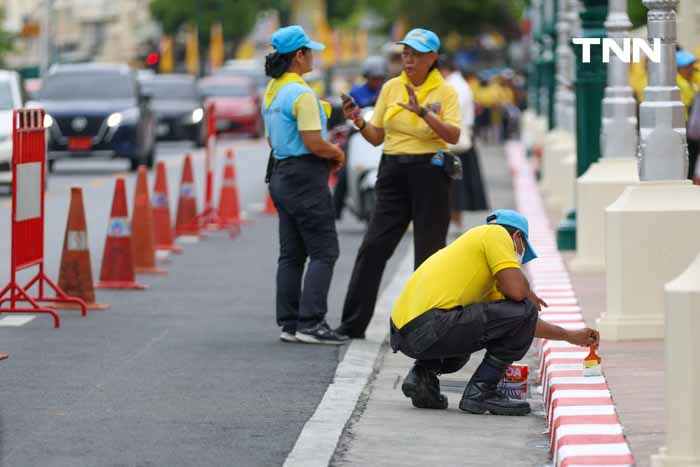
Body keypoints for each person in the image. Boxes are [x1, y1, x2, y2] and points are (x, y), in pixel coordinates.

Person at [390, 209, 600, 414]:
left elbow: (522, 323)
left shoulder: (476, 265)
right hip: (429, 328)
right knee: (523, 308)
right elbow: (519, 296)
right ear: (517, 236)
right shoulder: (495, 234)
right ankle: (482, 391)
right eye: (521, 251)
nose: (518, 258)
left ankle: (422, 376)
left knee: (511, 316)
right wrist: (526, 292)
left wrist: (569, 336)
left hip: (406, 335)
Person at [335, 28, 462, 339]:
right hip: (392, 171)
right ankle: (352, 325)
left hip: (430, 174)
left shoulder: (444, 92)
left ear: (432, 57)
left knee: (429, 255)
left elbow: (453, 136)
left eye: (416, 54)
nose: (408, 60)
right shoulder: (392, 88)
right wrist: (359, 121)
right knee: (374, 247)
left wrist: (423, 114)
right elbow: (377, 136)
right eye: (405, 53)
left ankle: (425, 327)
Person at [262, 25, 347, 345]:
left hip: (281, 174)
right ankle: (311, 323)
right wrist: (336, 152)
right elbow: (313, 141)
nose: (312, 56)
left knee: (292, 254)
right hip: (305, 177)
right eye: (309, 51)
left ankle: (290, 323)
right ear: (299, 56)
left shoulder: (273, 91)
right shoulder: (301, 93)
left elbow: (273, 137)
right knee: (325, 251)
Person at [437, 56, 488, 234]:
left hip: (453, 140)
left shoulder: (453, 86)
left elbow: (448, 114)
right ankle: (454, 220)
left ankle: (453, 221)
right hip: (460, 139)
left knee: (452, 183)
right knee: (455, 182)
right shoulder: (460, 84)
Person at [333, 56, 388, 219]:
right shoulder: (356, 92)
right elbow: (347, 112)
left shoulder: (387, 91)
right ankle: (335, 210)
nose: (377, 81)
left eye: (380, 78)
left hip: (381, 133)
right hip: (358, 133)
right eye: (373, 78)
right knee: (344, 170)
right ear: (366, 77)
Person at [677, 50, 699, 180]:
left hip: (691, 128)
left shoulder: (691, 81)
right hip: (685, 128)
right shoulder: (680, 83)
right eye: (687, 66)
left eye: (692, 65)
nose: (691, 69)